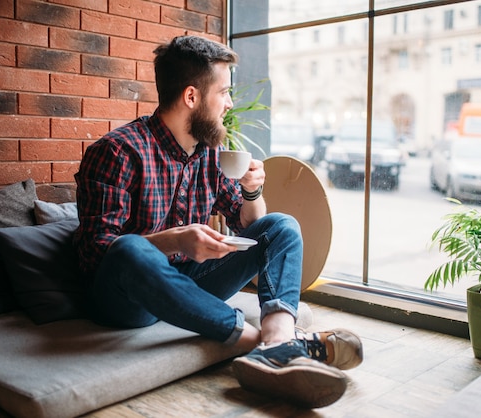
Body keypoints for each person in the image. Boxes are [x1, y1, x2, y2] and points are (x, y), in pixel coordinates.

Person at [72, 35, 362, 408]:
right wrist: (175, 240)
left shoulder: (212, 155)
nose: (228, 104)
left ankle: (276, 342)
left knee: (281, 225)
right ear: (191, 97)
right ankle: (265, 345)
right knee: (130, 248)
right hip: (129, 300)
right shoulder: (118, 151)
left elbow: (251, 230)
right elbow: (96, 254)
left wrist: (252, 193)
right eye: (223, 92)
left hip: (193, 281)